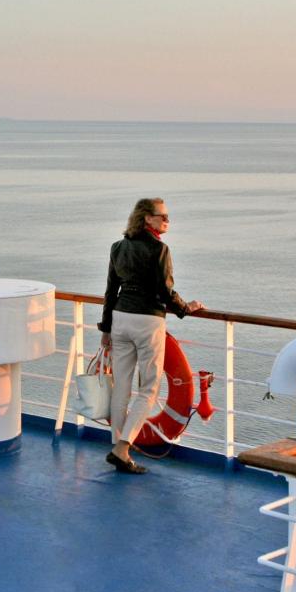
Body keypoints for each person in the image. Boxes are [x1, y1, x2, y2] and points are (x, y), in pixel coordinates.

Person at [97, 198, 203, 474]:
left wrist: (106, 328)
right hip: (147, 321)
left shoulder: (118, 248)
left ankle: (115, 447)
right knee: (149, 388)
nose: (168, 220)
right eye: (163, 216)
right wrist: (185, 307)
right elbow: (165, 291)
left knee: (121, 387)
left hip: (121, 318)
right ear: (147, 219)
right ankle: (122, 447)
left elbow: (111, 291)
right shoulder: (159, 249)